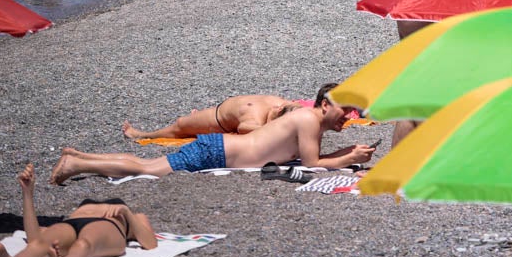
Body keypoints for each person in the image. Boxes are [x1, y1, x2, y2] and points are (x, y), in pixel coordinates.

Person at [49, 85, 375, 185]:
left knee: (145, 163)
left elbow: (312, 160)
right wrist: (349, 157)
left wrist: (346, 154)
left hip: (219, 148)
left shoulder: (308, 120)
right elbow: (313, 164)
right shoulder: (307, 119)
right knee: (145, 169)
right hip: (216, 152)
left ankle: (78, 157)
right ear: (323, 104)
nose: (348, 116)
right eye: (345, 109)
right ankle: (77, 166)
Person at [0, 164, 157, 257]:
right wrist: (28, 193)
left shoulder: (135, 216)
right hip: (72, 223)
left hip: (108, 225)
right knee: (41, 243)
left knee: (85, 244)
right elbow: (33, 238)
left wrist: (126, 212)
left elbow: (150, 244)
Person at [121, 95, 301, 140]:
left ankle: (197, 118)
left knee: (189, 122)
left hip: (224, 112)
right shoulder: (255, 116)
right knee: (180, 126)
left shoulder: (282, 103)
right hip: (217, 119)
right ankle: (142, 135)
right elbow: (244, 128)